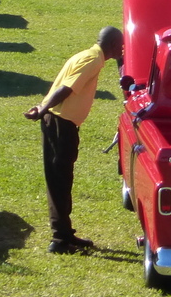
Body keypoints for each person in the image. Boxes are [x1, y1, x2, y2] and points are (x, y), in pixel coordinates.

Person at [24, 27, 125, 253]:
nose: (123, 49)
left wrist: (43, 107)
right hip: (60, 124)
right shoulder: (91, 60)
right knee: (59, 180)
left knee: (63, 178)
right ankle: (59, 240)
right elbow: (66, 88)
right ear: (112, 45)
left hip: (62, 122)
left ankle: (66, 234)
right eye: (121, 45)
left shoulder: (89, 56)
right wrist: (43, 108)